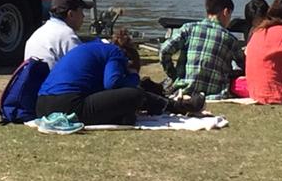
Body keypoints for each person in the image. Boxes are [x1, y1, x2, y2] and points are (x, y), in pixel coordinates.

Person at [35, 30, 201, 126]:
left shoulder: (92, 47)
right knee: (134, 95)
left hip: (42, 105)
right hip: (69, 105)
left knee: (127, 99)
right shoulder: (115, 53)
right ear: (127, 62)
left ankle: (125, 115)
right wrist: (134, 79)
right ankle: (176, 106)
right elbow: (112, 83)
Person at [159, 0, 243, 98]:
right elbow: (244, 65)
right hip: (215, 93)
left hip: (184, 89)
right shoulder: (230, 39)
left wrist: (173, 75)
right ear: (226, 12)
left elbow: (164, 50)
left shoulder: (188, 29)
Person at [23, 0, 88, 67]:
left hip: (34, 78)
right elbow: (83, 66)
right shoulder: (67, 36)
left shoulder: (37, 33)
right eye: (81, 11)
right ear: (71, 14)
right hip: (52, 78)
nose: (84, 16)